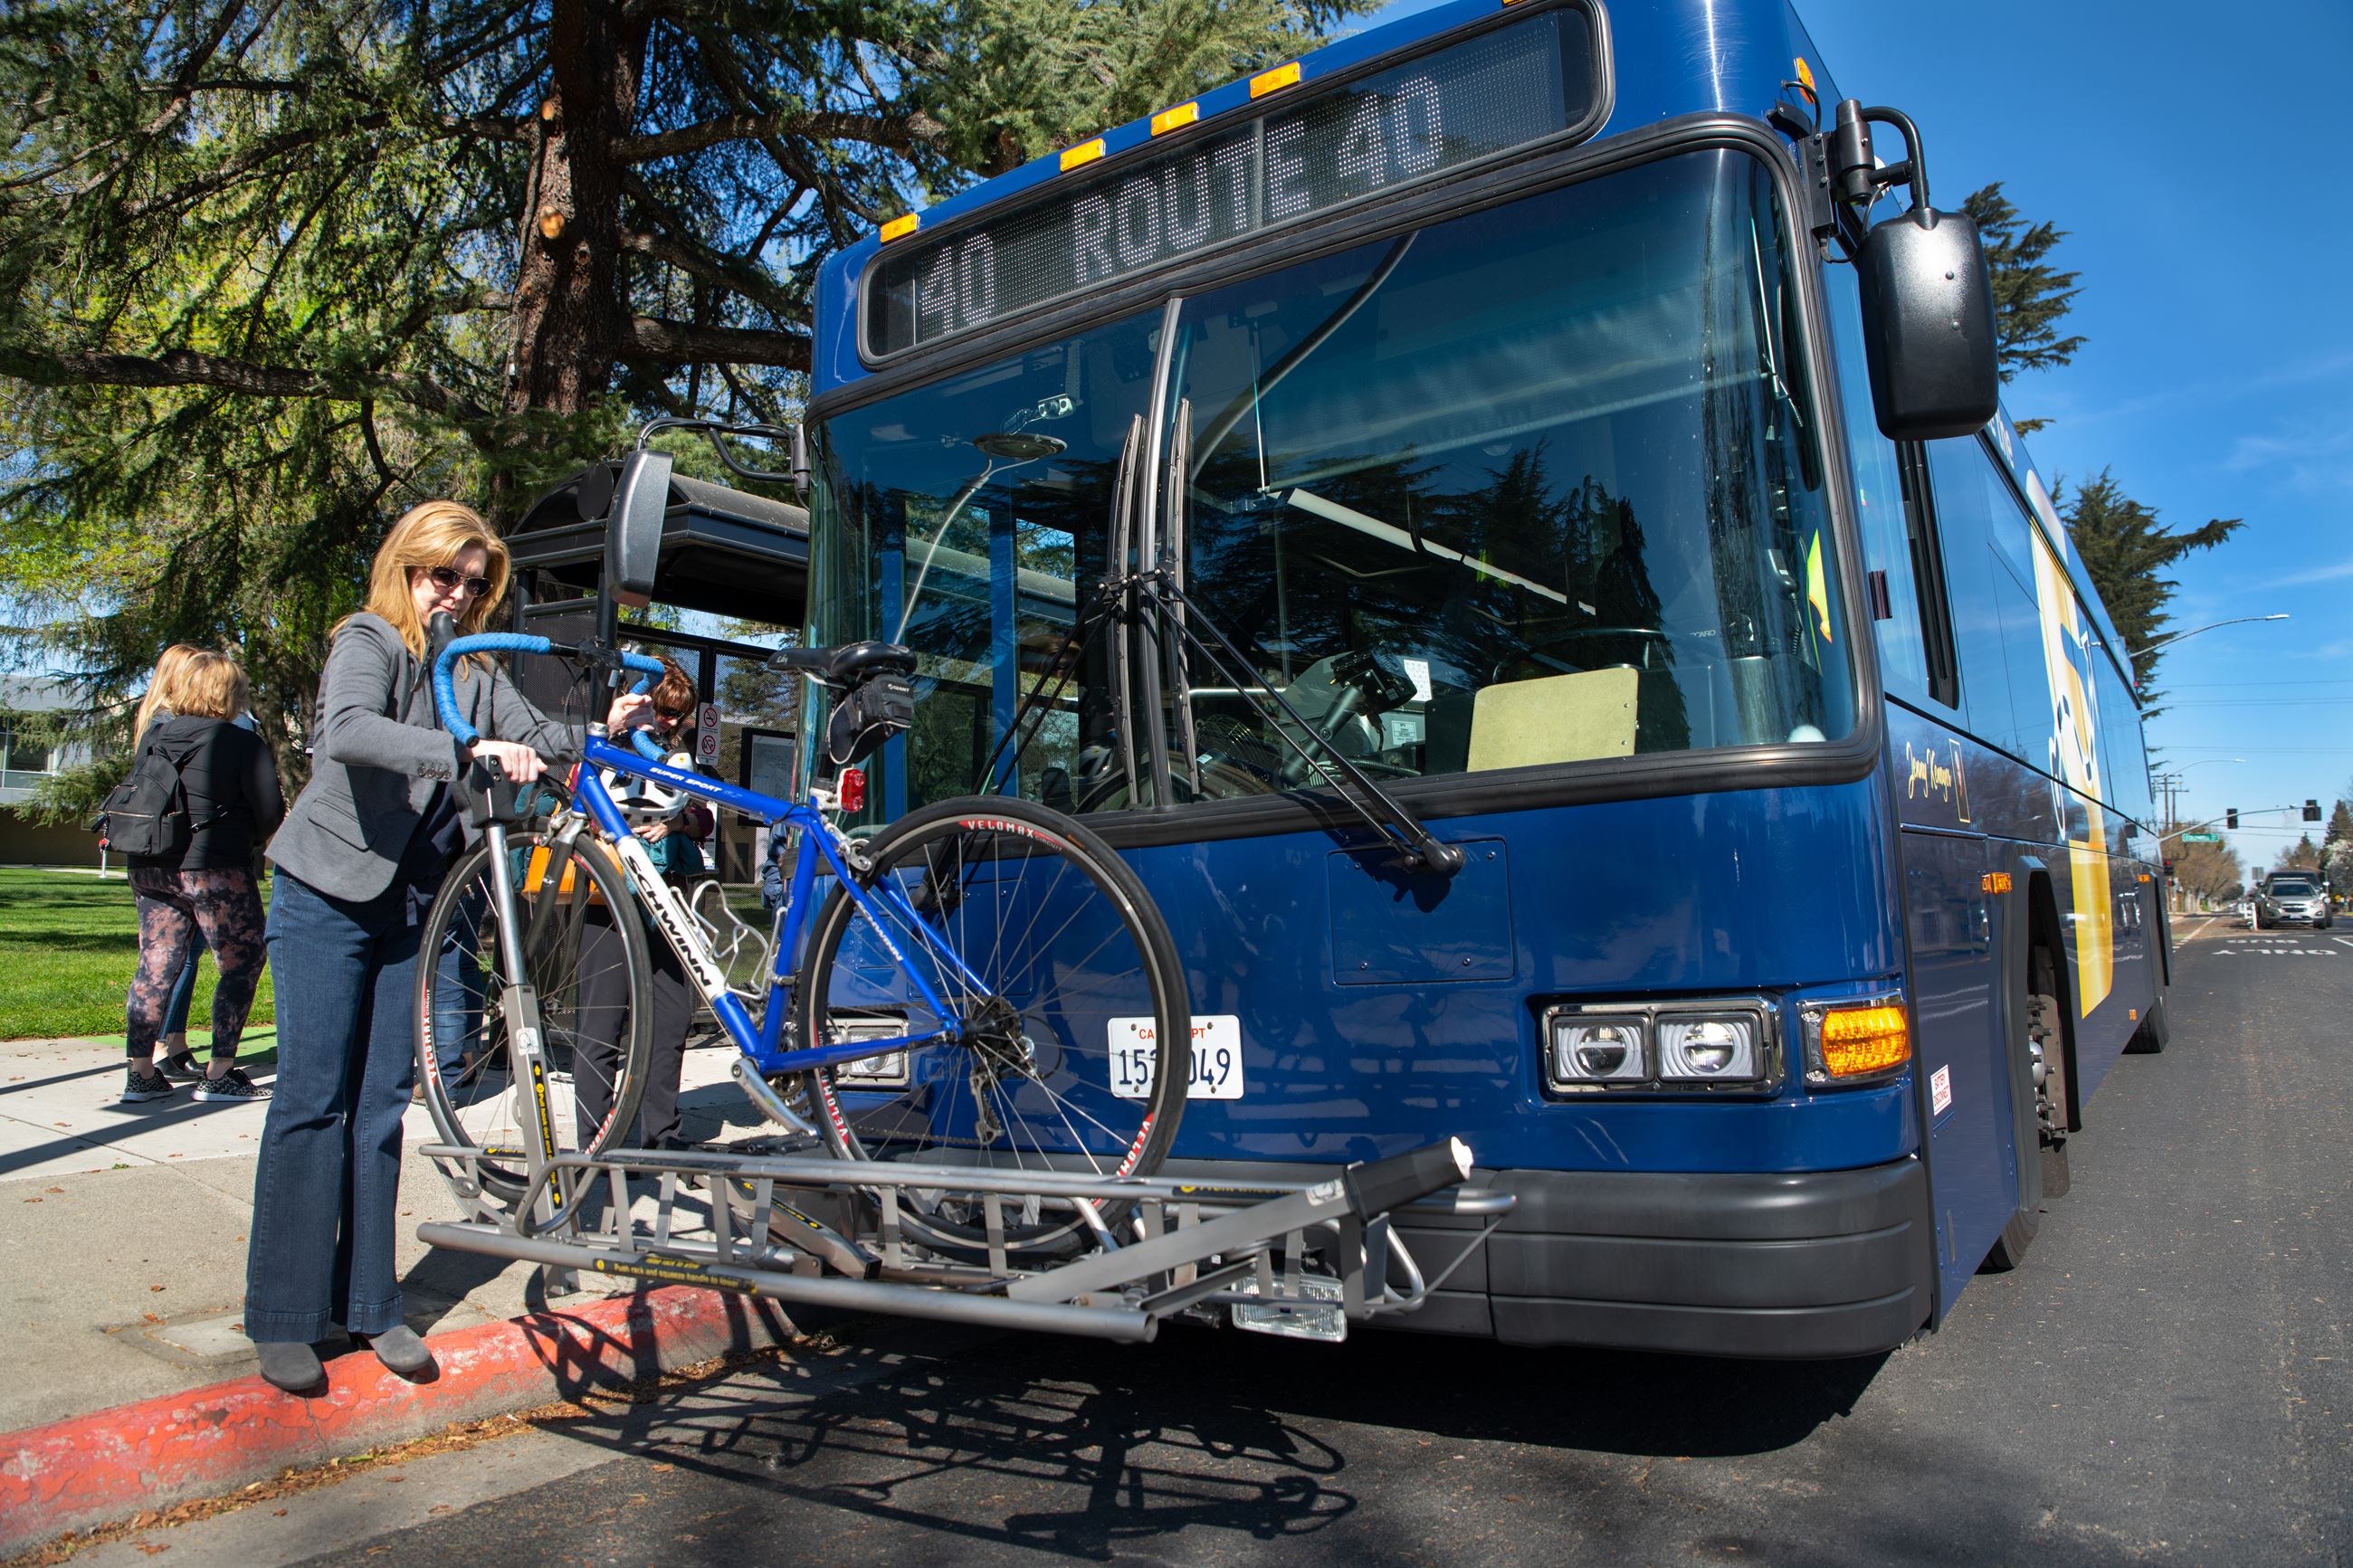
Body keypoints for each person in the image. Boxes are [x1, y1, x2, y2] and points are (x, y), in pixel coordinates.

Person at [244, 499, 652, 1394]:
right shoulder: (370, 638)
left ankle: (369, 1306)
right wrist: (462, 749)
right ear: (408, 568)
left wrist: (601, 730)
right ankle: (283, 1315)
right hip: (326, 888)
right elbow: (346, 732)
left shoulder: (469, 668)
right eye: (445, 576)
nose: (458, 595)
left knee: (381, 1104)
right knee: (313, 1101)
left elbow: (535, 740)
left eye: (474, 583)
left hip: (411, 904)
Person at [119, 651, 284, 1104]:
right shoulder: (240, 741)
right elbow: (270, 813)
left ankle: (140, 1073)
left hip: (151, 865)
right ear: (227, 693)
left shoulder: (154, 736)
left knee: (155, 965)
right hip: (215, 867)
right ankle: (221, 1071)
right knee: (241, 962)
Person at [574, 657, 711, 1154]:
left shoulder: (679, 761)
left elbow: (704, 819)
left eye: (679, 715)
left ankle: (662, 1137)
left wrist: (675, 824)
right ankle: (597, 1142)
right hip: (610, 896)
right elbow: (565, 802)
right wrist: (606, 822)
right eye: (663, 711)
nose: (669, 723)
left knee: (671, 1020)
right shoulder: (604, 750)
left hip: (668, 896)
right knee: (602, 1024)